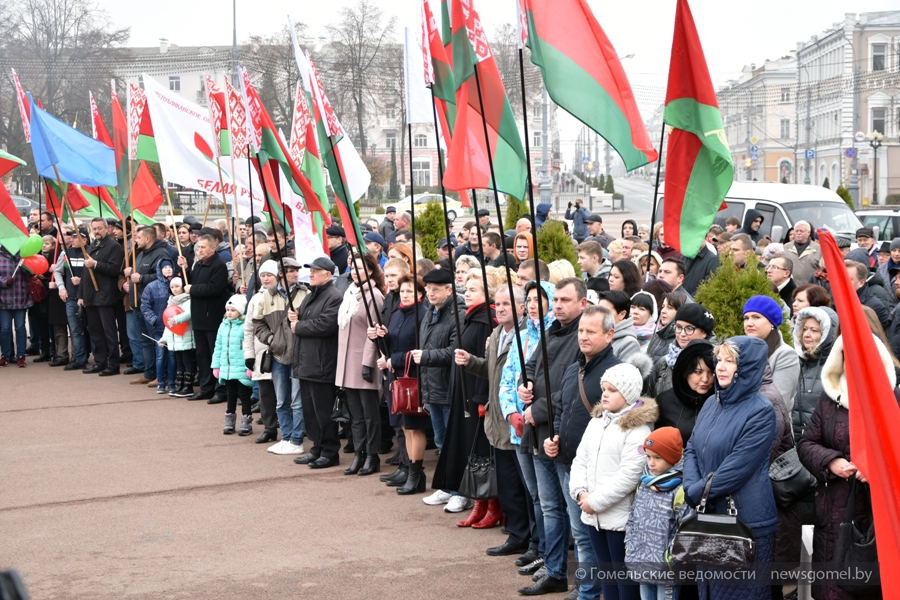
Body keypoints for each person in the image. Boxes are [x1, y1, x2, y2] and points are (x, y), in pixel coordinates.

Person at [797, 333, 896, 600]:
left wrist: (877, 469)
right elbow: (806, 443)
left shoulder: (892, 398)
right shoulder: (830, 398)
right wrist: (831, 460)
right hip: (832, 512)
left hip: (876, 515)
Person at [683, 337, 778, 600]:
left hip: (745, 522)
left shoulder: (761, 411)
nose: (720, 367)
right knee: (710, 593)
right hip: (710, 514)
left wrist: (696, 492)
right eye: (719, 360)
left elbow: (737, 468)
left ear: (746, 367)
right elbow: (692, 447)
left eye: (730, 361)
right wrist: (691, 487)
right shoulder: (712, 403)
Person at [516, 278, 588, 595]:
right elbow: (529, 367)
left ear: (583, 303)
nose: (557, 305)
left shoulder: (583, 337)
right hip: (538, 435)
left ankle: (586, 582)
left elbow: (573, 390)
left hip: (562, 436)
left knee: (575, 515)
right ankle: (555, 569)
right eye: (555, 299)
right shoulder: (551, 331)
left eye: (565, 300)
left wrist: (538, 409)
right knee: (549, 508)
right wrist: (525, 384)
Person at [457, 285, 535, 555]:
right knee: (508, 486)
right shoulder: (497, 333)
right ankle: (516, 536)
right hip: (497, 422)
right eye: (497, 304)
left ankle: (531, 540)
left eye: (506, 304)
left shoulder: (527, 337)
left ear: (521, 307)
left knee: (525, 488)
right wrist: (470, 361)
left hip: (516, 424)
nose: (500, 308)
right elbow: (491, 373)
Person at [568, 362, 656, 600]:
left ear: (627, 394)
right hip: (594, 515)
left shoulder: (638, 429)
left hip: (620, 519)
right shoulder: (597, 421)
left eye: (612, 390)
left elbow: (629, 476)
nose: (604, 394)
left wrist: (594, 501)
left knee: (624, 580)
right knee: (607, 577)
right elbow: (580, 459)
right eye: (604, 388)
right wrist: (580, 492)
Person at [497, 280, 556, 579]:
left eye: (540, 299)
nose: (533, 304)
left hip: (543, 426)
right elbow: (507, 380)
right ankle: (536, 545)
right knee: (533, 493)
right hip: (520, 428)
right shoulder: (521, 336)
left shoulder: (554, 335)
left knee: (548, 497)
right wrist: (510, 412)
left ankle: (549, 552)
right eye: (529, 299)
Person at [433, 271, 495, 520]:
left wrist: (481, 397)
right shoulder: (469, 317)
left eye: (472, 290)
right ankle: (470, 495)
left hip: (475, 392)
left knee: (476, 448)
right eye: (466, 289)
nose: (466, 294)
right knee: (461, 442)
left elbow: (486, 363)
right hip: (461, 388)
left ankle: (484, 501)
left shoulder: (485, 319)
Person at [376, 273, 429, 492]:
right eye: (403, 291)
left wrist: (392, 360)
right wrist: (380, 336)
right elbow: (392, 343)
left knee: (413, 427)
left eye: (410, 291)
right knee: (404, 427)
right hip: (396, 377)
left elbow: (417, 348)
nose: (405, 295)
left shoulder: (422, 314)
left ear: (420, 294)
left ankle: (416, 475)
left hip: (412, 377)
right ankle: (407, 468)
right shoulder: (398, 313)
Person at [289, 256, 343, 469]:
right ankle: (317, 447)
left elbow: (326, 325)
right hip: (306, 363)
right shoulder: (311, 294)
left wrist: (298, 326)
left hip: (321, 364)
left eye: (315, 271)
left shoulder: (334, 297)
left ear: (327, 275)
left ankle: (330, 452)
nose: (310, 274)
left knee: (323, 412)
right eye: (310, 270)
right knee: (310, 411)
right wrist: (292, 318)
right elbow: (300, 319)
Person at [411, 268, 461, 494]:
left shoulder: (457, 314)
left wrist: (427, 357)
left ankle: (457, 490)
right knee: (441, 441)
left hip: (449, 388)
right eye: (428, 289)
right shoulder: (430, 311)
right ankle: (446, 485)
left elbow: (455, 351)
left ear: (449, 290)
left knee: (453, 443)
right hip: (432, 388)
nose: (430, 293)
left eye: (436, 289)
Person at [253, 258, 308, 455]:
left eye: (296, 270)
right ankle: (285, 437)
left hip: (299, 355)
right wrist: (270, 339)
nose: (296, 274)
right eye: (291, 271)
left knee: (297, 401)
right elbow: (257, 322)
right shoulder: (267, 296)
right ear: (281, 273)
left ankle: (296, 439)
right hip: (277, 355)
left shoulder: (305, 293)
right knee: (281, 400)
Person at [624, 427, 686, 600]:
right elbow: (633, 518)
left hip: (667, 568)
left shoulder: (679, 489)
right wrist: (630, 545)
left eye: (657, 458)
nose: (651, 463)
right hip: (642, 560)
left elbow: (684, 529)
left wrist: (671, 559)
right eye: (648, 456)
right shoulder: (644, 483)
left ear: (673, 458)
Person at [336, 254, 384, 476]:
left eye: (360, 268)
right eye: (352, 268)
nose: (355, 272)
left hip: (364, 362)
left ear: (372, 270)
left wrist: (367, 363)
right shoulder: (350, 293)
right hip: (347, 362)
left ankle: (372, 455)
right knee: (354, 414)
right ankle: (359, 453)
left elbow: (374, 332)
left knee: (369, 414)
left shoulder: (373, 296)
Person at [179, 234, 230, 401]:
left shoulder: (218, 266)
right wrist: (185, 269)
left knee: (215, 354)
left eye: (203, 247)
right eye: (198, 247)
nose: (199, 250)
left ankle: (220, 390)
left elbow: (213, 288)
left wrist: (192, 289)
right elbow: (191, 282)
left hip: (212, 317)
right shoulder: (199, 264)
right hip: (199, 316)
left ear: (212, 248)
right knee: (202, 355)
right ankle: (206, 387)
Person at [79, 218, 125, 376]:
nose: (97, 231)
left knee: (109, 331)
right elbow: (85, 274)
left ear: (107, 228)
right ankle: (100, 361)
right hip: (91, 295)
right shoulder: (92, 245)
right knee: (95, 331)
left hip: (105, 295)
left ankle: (113, 364)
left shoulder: (114, 246)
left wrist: (96, 264)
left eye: (100, 228)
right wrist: (81, 295)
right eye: (94, 228)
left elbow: (114, 269)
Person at [742, 295, 800, 411]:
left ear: (772, 322)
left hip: (769, 425)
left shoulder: (785, 354)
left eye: (756, 317)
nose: (749, 323)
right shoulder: (740, 351)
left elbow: (778, 403)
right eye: (746, 318)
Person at [654, 339, 715, 445]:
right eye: (698, 372)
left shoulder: (720, 402)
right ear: (685, 373)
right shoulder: (664, 401)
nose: (705, 379)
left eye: (711, 372)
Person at [648, 303, 715, 397]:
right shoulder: (664, 363)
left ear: (704, 332)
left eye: (689, 328)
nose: (682, 334)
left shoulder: (715, 362)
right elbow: (649, 398)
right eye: (679, 327)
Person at [211, 295, 254, 436]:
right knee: (230, 395)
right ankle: (230, 420)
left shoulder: (245, 326)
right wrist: (216, 365)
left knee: (244, 395)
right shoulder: (223, 325)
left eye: (233, 310)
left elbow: (249, 346)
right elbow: (218, 347)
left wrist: (250, 366)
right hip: (228, 368)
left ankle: (246, 420)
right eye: (228, 310)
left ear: (240, 312)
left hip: (241, 367)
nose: (229, 313)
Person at [53, 227, 89, 370]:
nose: (71, 239)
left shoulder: (90, 253)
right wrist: (61, 287)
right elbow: (57, 271)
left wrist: (82, 281)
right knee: (75, 330)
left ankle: (100, 358)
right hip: (71, 298)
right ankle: (79, 359)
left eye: (75, 237)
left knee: (92, 330)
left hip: (88, 298)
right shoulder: (65, 253)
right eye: (71, 237)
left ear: (84, 240)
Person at [140, 259, 177, 394]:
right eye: (165, 267)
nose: (168, 269)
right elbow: (145, 305)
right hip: (160, 328)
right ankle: (161, 382)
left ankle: (172, 382)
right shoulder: (152, 286)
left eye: (170, 267)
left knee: (173, 357)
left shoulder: (177, 285)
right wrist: (154, 320)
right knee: (160, 356)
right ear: (159, 270)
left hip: (174, 328)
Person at [159, 276, 196, 398]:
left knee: (187, 362)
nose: (175, 289)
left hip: (185, 337)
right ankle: (180, 385)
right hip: (175, 339)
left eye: (177, 286)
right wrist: (164, 338)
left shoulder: (188, 300)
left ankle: (188, 386)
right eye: (172, 287)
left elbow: (188, 314)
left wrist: (176, 319)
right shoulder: (171, 301)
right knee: (179, 363)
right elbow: (167, 322)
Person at [0, 245, 34, 367]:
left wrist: (25, 267)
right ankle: (6, 355)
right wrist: (4, 281)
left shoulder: (22, 256)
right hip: (3, 300)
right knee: (5, 329)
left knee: (20, 328)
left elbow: (31, 273)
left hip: (21, 298)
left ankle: (21, 356)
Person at [597, 290, 643, 363]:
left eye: (605, 311)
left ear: (622, 314)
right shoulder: (596, 333)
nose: (599, 315)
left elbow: (624, 373)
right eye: (597, 310)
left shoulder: (629, 344)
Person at [846, 259, 890, 330]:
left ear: (861, 283)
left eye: (849, 279)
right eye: (841, 277)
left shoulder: (875, 306)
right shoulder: (835, 299)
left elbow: (878, 334)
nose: (843, 281)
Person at [646, 291, 683, 362]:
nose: (663, 311)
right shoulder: (657, 333)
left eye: (670, 307)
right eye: (663, 307)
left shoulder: (681, 339)